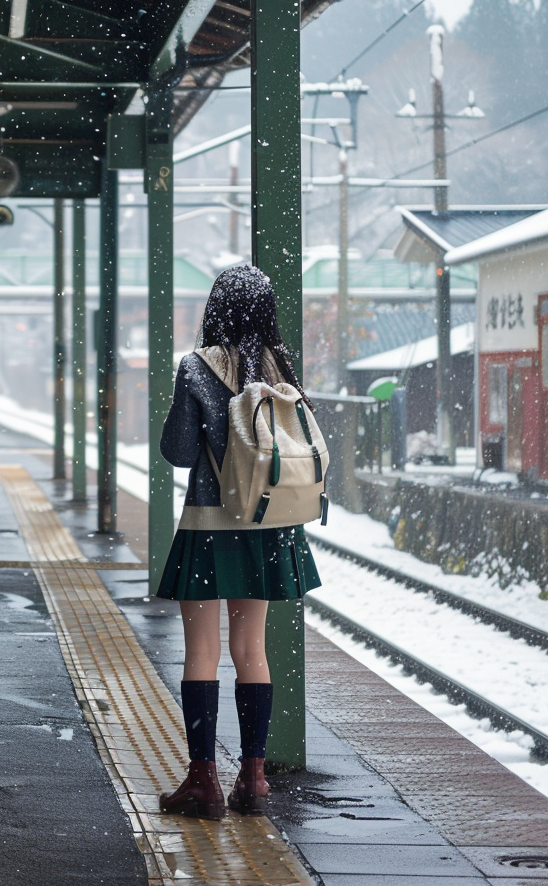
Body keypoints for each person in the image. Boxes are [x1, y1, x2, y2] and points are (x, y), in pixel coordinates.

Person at [156, 264, 322, 819]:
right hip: (269, 526)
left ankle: (202, 780)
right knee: (252, 650)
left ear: (215, 310)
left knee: (201, 650)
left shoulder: (197, 368)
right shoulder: (285, 371)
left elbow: (179, 451)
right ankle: (253, 779)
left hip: (209, 526)